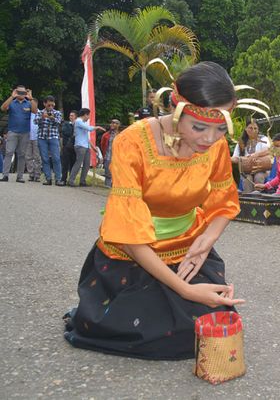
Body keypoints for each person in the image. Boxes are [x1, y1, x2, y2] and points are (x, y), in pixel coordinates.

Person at [63, 61, 244, 359]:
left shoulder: (216, 146)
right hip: (132, 254)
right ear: (177, 110)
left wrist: (207, 240)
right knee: (156, 335)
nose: (210, 139)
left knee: (212, 325)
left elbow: (225, 201)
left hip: (186, 249)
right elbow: (130, 236)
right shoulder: (131, 142)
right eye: (198, 127)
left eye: (221, 129)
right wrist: (186, 291)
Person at [1, 85, 37, 182]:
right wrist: (12, 96)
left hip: (25, 132)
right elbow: (3, 108)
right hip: (13, 131)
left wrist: (30, 97)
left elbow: (35, 111)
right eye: (19, 92)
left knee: (22, 154)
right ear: (16, 92)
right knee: (9, 152)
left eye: (23, 92)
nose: (21, 94)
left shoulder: (28, 103)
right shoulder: (12, 102)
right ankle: (5, 175)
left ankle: (20, 176)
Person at [68, 108, 105, 187]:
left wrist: (92, 146)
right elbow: (89, 129)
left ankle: (82, 181)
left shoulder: (83, 123)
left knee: (87, 164)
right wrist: (97, 127)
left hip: (86, 145)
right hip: (80, 145)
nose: (88, 117)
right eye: (88, 115)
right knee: (78, 163)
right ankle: (71, 180)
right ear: (85, 115)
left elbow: (86, 137)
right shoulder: (78, 121)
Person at [230, 118, 270, 188]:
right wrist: (225, 159)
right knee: (247, 180)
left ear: (258, 130)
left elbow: (268, 150)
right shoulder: (241, 142)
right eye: (250, 128)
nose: (253, 130)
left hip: (262, 170)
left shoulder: (263, 139)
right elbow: (235, 158)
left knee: (258, 177)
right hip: (246, 171)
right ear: (246, 128)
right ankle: (249, 198)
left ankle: (258, 197)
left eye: (255, 128)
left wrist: (255, 155)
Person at [36, 95, 64, 186]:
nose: (51, 107)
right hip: (42, 137)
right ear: (44, 104)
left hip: (53, 137)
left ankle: (58, 179)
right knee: (45, 158)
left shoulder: (57, 113)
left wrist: (52, 118)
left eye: (52, 105)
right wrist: (42, 118)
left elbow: (59, 122)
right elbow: (35, 122)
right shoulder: (40, 112)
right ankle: (48, 178)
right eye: (49, 105)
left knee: (56, 158)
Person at [99, 119, 121, 188]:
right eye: (112, 123)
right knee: (107, 171)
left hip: (117, 156)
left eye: (115, 123)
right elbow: (102, 145)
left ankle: (114, 185)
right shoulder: (106, 135)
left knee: (116, 172)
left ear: (118, 125)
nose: (112, 124)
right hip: (108, 155)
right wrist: (103, 154)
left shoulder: (120, 135)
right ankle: (107, 185)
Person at [26, 103, 42, 182]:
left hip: (37, 137)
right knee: (28, 157)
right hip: (28, 137)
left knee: (37, 157)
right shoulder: (27, 113)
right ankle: (31, 174)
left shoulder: (40, 113)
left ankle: (37, 174)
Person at [60, 110, 77, 185]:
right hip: (66, 146)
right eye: (70, 115)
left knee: (73, 164)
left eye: (72, 116)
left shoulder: (78, 125)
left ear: (76, 117)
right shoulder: (66, 124)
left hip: (75, 147)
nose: (70, 117)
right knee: (65, 164)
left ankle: (71, 180)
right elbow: (66, 132)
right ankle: (63, 179)